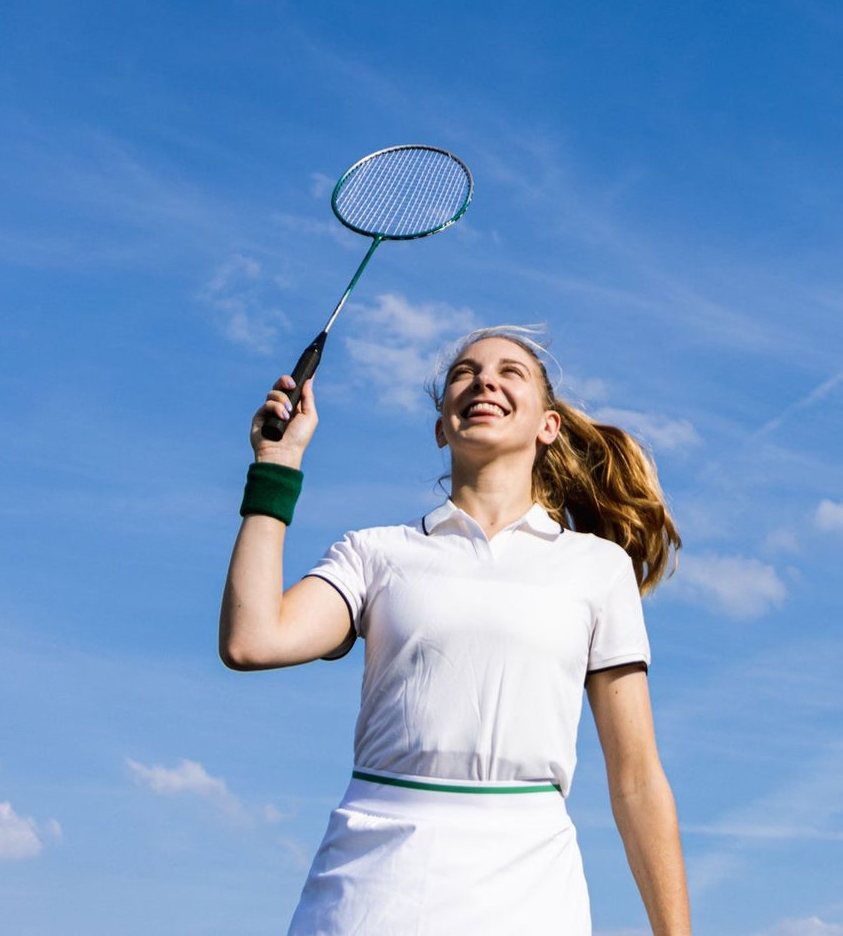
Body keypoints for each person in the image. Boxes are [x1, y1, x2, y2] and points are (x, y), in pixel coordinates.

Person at [219, 326, 693, 936]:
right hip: (368, 888)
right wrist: (277, 467)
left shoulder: (596, 568)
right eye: (463, 373)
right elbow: (252, 639)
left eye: (510, 371)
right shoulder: (376, 553)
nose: (484, 380)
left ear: (547, 425)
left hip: (529, 889)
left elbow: (637, 779)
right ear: (442, 426)